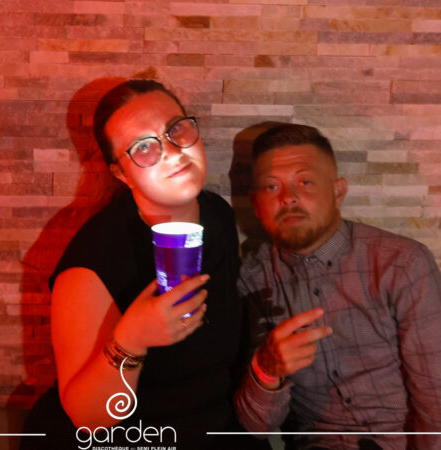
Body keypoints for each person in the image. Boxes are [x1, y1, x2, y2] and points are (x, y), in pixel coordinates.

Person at [20, 79, 261, 449]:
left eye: (176, 129)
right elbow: (87, 417)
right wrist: (131, 341)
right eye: (143, 147)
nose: (172, 152)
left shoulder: (217, 214)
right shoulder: (91, 262)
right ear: (121, 173)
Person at [235, 123, 441, 449]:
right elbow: (256, 427)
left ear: (338, 192)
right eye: (271, 186)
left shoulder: (401, 264)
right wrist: (267, 370)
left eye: (305, 182)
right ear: (255, 204)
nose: (288, 197)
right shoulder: (252, 278)